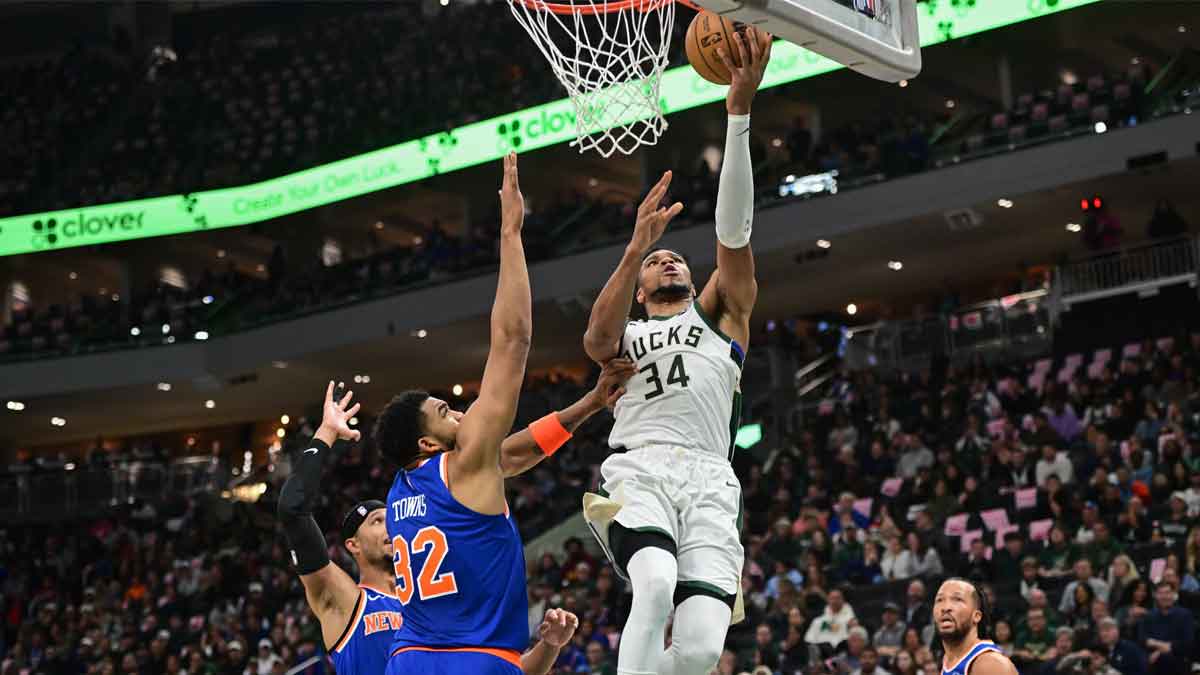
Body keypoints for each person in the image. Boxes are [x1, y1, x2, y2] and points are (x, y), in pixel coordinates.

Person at [373, 154, 619, 675]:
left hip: (408, 661)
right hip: (476, 662)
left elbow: (517, 452)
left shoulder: (403, 492)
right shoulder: (464, 461)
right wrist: (510, 232)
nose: (460, 412)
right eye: (444, 413)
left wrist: (593, 403)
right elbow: (513, 340)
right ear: (425, 442)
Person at [579, 26, 773, 675]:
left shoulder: (723, 314)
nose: (666, 260)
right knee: (655, 581)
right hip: (639, 469)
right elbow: (594, 340)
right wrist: (635, 244)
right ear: (639, 289)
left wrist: (738, 113)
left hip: (712, 478)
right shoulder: (628, 334)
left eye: (672, 256)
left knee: (697, 650)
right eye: (655, 263)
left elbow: (734, 233)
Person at [278, 378, 603, 675]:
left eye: (390, 519)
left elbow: (507, 670)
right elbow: (293, 509)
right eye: (377, 522)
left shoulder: (435, 603)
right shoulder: (346, 601)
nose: (390, 528)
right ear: (353, 545)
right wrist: (326, 433)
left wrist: (550, 646)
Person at [933, 578, 1017, 675]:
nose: (945, 608)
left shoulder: (990, 663)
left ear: (976, 616)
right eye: (939, 600)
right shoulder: (947, 662)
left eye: (957, 599)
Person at [1136, 581, 1195, 675]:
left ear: (1173, 594)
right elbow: (1142, 639)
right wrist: (1164, 647)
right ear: (1155, 595)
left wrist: (1158, 649)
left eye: (1167, 593)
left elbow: (1187, 643)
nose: (1164, 597)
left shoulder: (1185, 615)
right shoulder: (1149, 616)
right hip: (1153, 662)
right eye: (1160, 593)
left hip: (1177, 662)